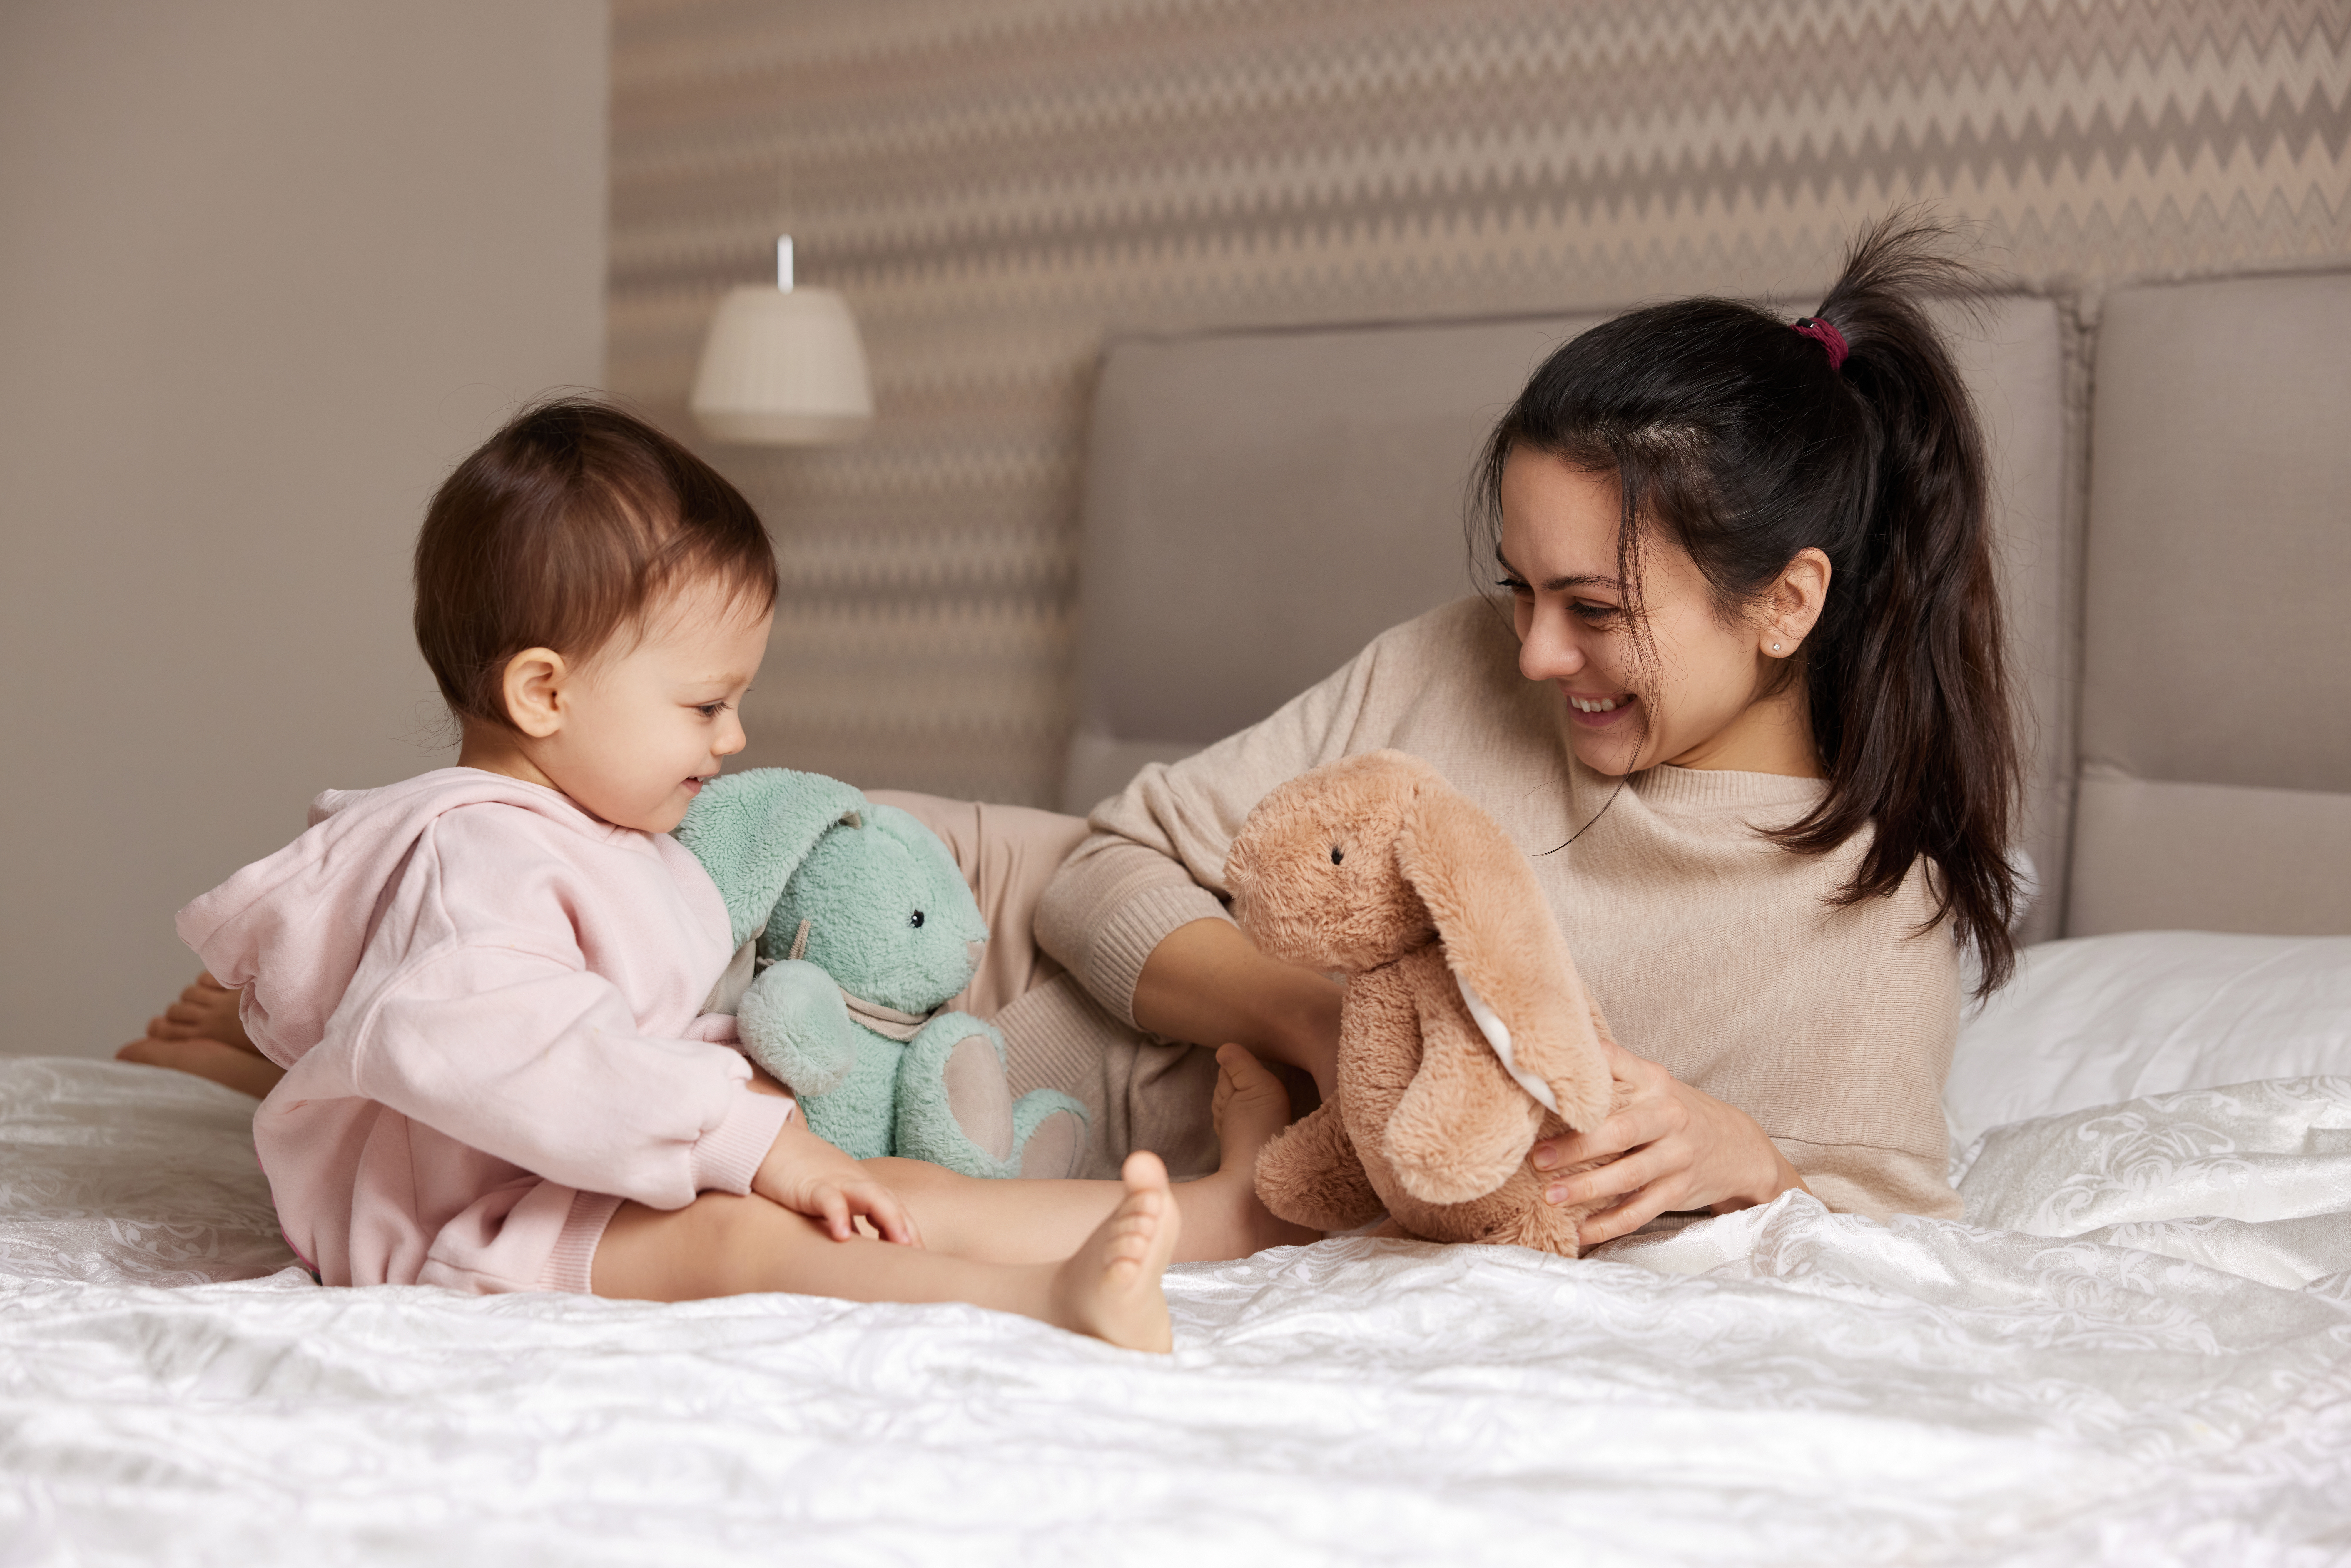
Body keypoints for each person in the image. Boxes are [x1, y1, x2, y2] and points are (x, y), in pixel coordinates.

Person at [143, 399, 1305, 1354]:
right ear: (544, 693)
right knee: (740, 1242)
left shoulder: (594, 826)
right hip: (475, 1220)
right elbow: (536, 1057)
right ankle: (1047, 1304)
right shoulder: (472, 858)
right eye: (704, 703)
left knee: (888, 1183)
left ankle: (1220, 1211)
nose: (734, 735)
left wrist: (776, 1137)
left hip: (594, 1169)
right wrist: (750, 1141)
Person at [1032, 212, 2021, 1242]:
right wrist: (1320, 1024)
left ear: (1787, 603)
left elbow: (1897, 1255)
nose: (1534, 657)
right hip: (1004, 1010)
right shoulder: (1448, 666)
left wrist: (1752, 1164)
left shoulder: (1874, 910)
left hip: (1099, 1189)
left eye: (1594, 610)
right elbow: (1095, 871)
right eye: (1521, 590)